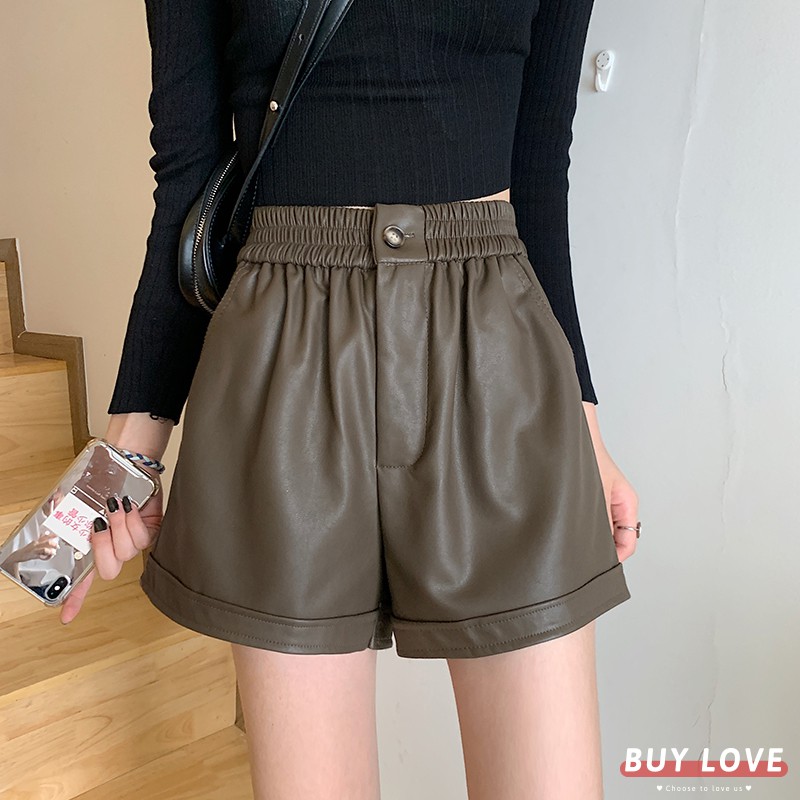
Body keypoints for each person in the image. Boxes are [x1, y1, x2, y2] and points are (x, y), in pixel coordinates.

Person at [62, 1, 640, 797]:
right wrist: (123, 460)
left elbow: (540, 173)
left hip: (497, 366)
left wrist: (586, 427)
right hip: (282, 370)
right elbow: (187, 184)